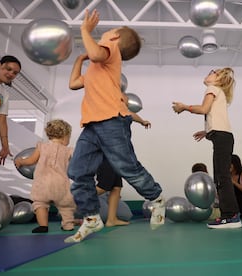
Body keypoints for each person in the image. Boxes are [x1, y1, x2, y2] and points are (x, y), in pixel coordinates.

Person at [65, 9, 164, 243]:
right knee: (77, 171)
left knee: (127, 167)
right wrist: (79, 60)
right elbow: (72, 84)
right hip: (92, 126)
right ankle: (91, 218)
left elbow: (97, 53)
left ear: (116, 40)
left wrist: (84, 30)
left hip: (111, 121)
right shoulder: (95, 69)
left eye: (109, 33)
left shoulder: (110, 55)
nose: (104, 34)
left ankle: (157, 199)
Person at [172, 67, 241, 229]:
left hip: (222, 137)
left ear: (218, 79)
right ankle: (230, 215)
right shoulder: (218, 91)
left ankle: (230, 217)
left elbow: (203, 109)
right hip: (222, 137)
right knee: (221, 176)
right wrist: (207, 132)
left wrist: (184, 107)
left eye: (213, 72)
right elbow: (216, 118)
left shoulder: (212, 89)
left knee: (221, 177)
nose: (209, 73)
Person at [15, 119, 76, 233]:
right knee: (66, 206)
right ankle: (68, 225)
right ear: (64, 136)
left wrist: (20, 161)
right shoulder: (68, 151)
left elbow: (31, 160)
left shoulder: (42, 146)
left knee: (40, 203)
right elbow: (76, 164)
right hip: (61, 184)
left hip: (43, 183)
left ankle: (43, 226)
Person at [95, 110, 152, 227]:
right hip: (107, 156)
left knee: (116, 187)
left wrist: (142, 121)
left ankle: (111, 219)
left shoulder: (123, 112)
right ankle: (74, 198)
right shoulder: (107, 112)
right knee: (103, 187)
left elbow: (132, 115)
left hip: (118, 156)